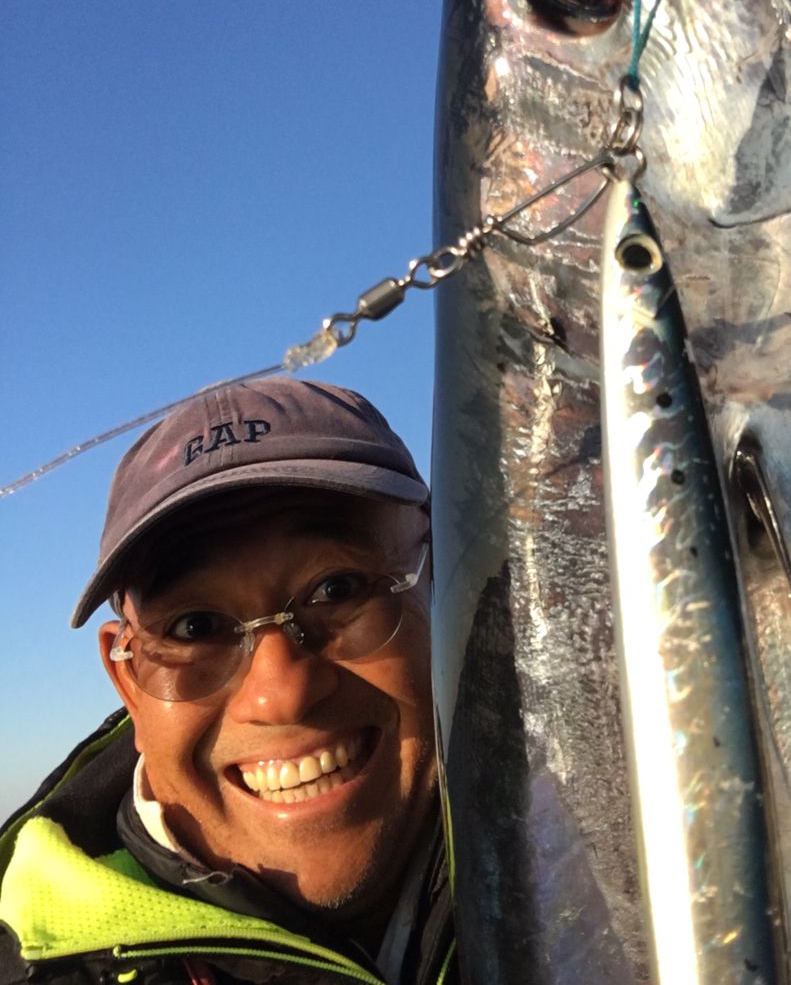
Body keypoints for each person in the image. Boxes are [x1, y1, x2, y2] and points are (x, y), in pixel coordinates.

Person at [0, 379, 457, 985]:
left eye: (337, 588)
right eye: (196, 627)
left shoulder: (610, 832)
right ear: (129, 683)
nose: (280, 693)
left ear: (446, 585)